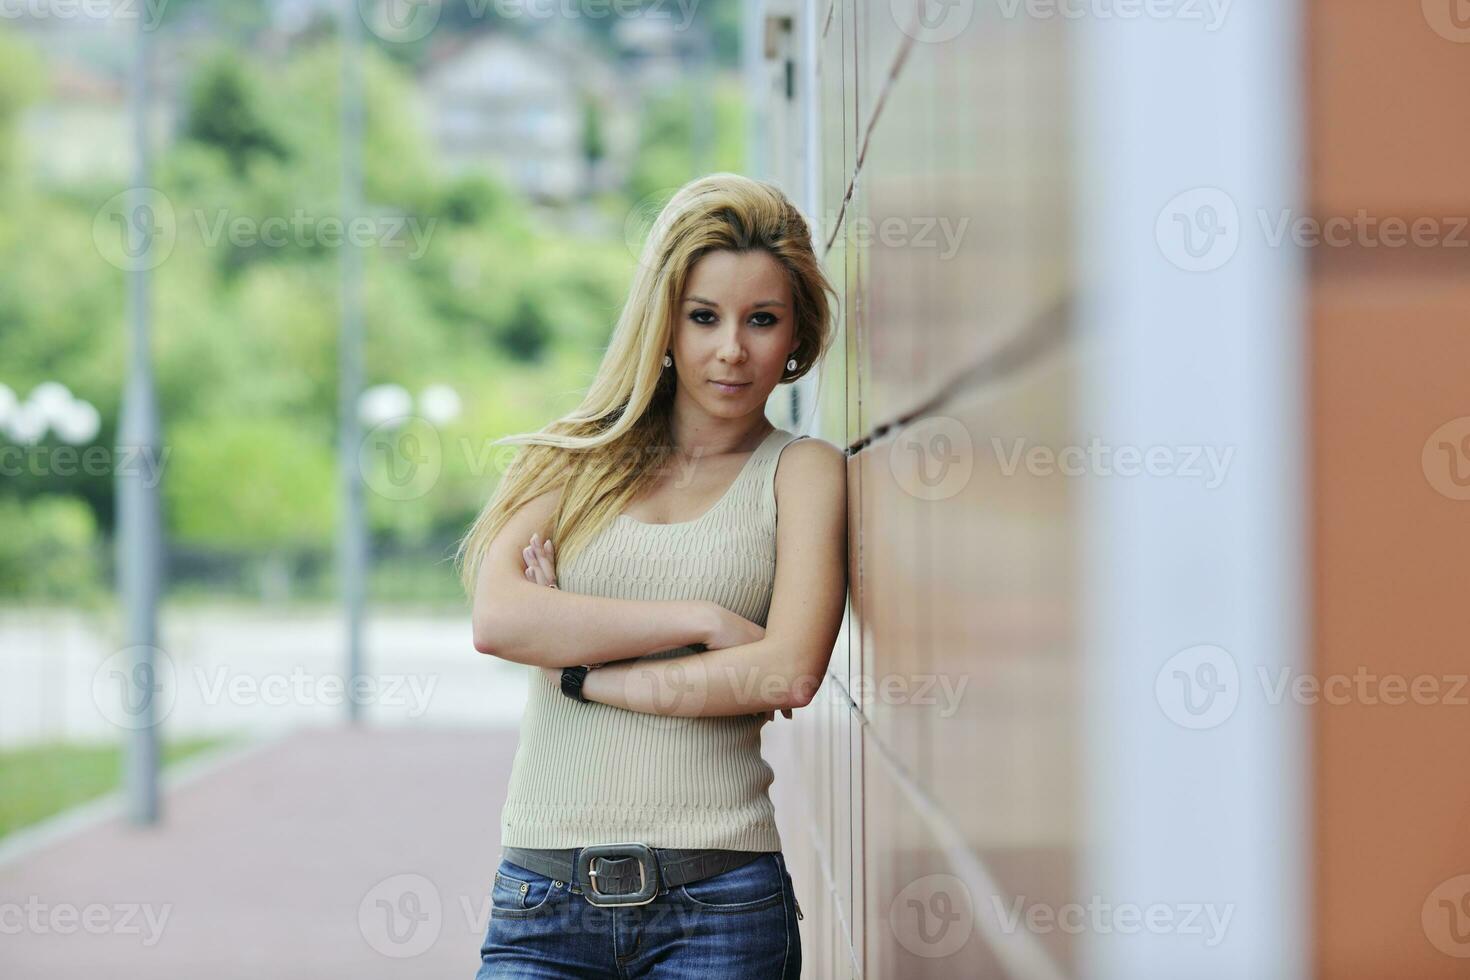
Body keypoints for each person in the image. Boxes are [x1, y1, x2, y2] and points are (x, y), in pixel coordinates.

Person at [455, 172, 849, 979]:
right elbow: (501, 620)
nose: (731, 348)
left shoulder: (805, 474)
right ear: (663, 324)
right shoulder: (570, 459)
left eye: (762, 320)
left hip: (721, 903)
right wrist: (702, 623)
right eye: (704, 317)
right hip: (542, 897)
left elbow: (786, 671)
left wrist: (581, 668)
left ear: (797, 337)